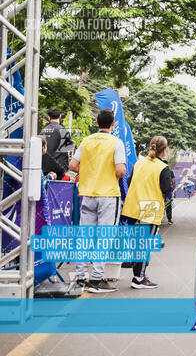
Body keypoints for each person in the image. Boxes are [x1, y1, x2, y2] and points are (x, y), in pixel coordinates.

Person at [69, 108, 126, 293]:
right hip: (108, 195)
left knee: (85, 237)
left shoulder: (86, 141)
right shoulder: (116, 143)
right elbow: (120, 171)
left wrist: (89, 173)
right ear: (113, 124)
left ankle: (80, 278)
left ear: (96, 122)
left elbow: (73, 165)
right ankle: (95, 280)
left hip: (87, 193)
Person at [121, 136, 173, 289]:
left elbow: (130, 182)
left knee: (137, 243)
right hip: (150, 208)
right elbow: (167, 189)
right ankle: (139, 278)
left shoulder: (139, 163)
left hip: (132, 206)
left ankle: (138, 274)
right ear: (164, 151)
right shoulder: (163, 168)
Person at [40, 108, 74, 180]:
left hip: (44, 167)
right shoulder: (63, 130)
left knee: (45, 188)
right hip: (59, 168)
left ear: (49, 118)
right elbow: (69, 147)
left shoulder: (43, 131)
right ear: (60, 116)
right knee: (56, 188)